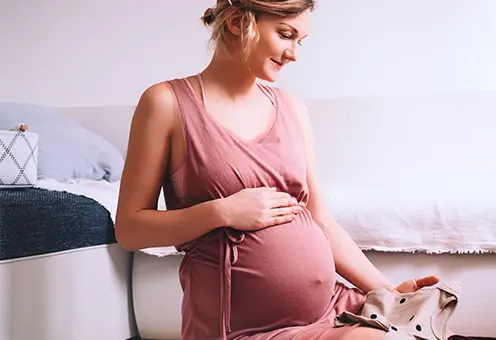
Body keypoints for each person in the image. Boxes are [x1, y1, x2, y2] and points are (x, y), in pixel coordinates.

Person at [114, 0, 440, 339]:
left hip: (333, 308)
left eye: (301, 41)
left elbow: (321, 222)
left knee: (420, 325)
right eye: (286, 35)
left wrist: (390, 293)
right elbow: (130, 228)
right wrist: (221, 212)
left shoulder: (291, 107)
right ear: (238, 22)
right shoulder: (166, 102)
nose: (294, 53)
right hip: (246, 331)